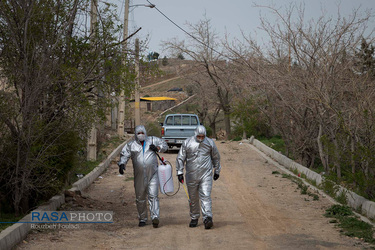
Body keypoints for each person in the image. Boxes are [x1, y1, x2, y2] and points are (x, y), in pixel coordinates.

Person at [118, 125, 168, 228]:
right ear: (136, 135)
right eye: (139, 133)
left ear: (145, 133)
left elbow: (165, 145)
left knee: (153, 196)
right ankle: (142, 218)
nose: (141, 135)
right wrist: (122, 164)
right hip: (139, 176)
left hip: (153, 174)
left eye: (142, 133)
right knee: (140, 197)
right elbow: (124, 154)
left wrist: (158, 148)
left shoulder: (153, 140)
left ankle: (155, 217)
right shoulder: (131, 145)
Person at [176, 125, 222, 229]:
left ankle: (207, 218)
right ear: (195, 134)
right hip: (191, 175)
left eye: (203, 136)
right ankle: (194, 217)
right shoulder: (187, 143)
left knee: (205, 196)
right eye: (199, 136)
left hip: (206, 174)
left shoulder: (210, 143)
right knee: (193, 197)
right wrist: (179, 172)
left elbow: (216, 157)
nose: (201, 138)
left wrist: (217, 170)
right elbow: (180, 157)